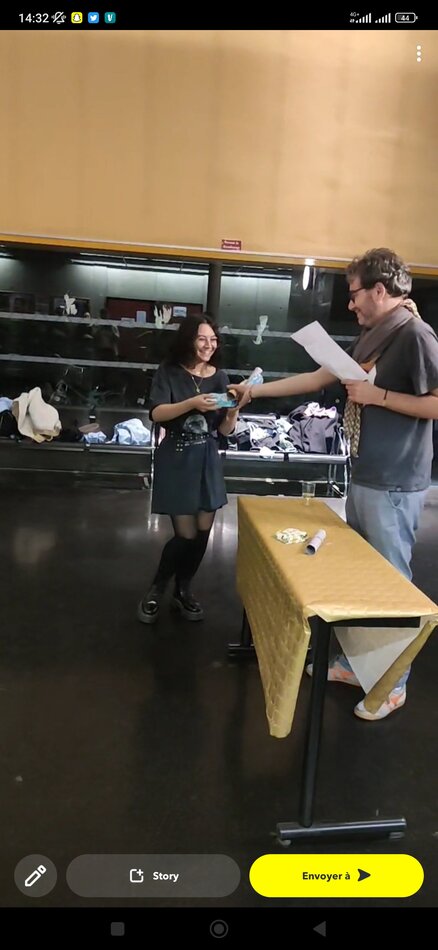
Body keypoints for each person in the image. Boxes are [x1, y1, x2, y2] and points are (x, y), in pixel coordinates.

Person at [231, 248, 438, 720]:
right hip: (366, 472)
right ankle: (354, 662)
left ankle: (392, 684)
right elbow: (320, 376)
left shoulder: (415, 335)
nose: (351, 304)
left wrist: (378, 396)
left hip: (394, 481)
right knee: (362, 578)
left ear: (380, 291)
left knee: (390, 585)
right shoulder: (376, 335)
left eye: (355, 293)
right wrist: (254, 391)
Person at [138, 313, 241, 624]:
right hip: (177, 455)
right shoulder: (169, 371)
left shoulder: (220, 377)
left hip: (207, 456)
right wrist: (192, 403)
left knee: (203, 532)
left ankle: (183, 589)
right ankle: (157, 587)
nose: (209, 345)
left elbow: (223, 431)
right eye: (202, 339)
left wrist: (234, 411)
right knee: (185, 534)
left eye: (213, 340)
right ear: (188, 340)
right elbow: (156, 413)